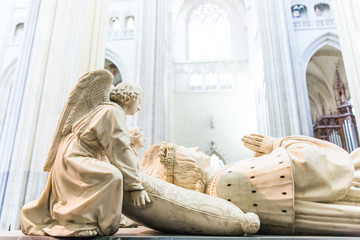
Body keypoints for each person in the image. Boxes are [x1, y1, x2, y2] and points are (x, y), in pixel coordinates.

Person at [142, 134, 360, 235]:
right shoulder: (229, 181)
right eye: (186, 149)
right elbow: (319, 169)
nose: (196, 149)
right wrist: (276, 144)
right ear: (184, 165)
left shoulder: (221, 183)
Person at [21, 70, 151, 237]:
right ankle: (81, 222)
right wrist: (135, 186)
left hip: (74, 153)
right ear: (130, 98)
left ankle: (93, 218)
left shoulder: (108, 110)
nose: (139, 107)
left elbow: (112, 152)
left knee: (111, 173)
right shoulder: (113, 112)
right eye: (139, 101)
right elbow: (119, 149)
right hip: (75, 156)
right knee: (112, 176)